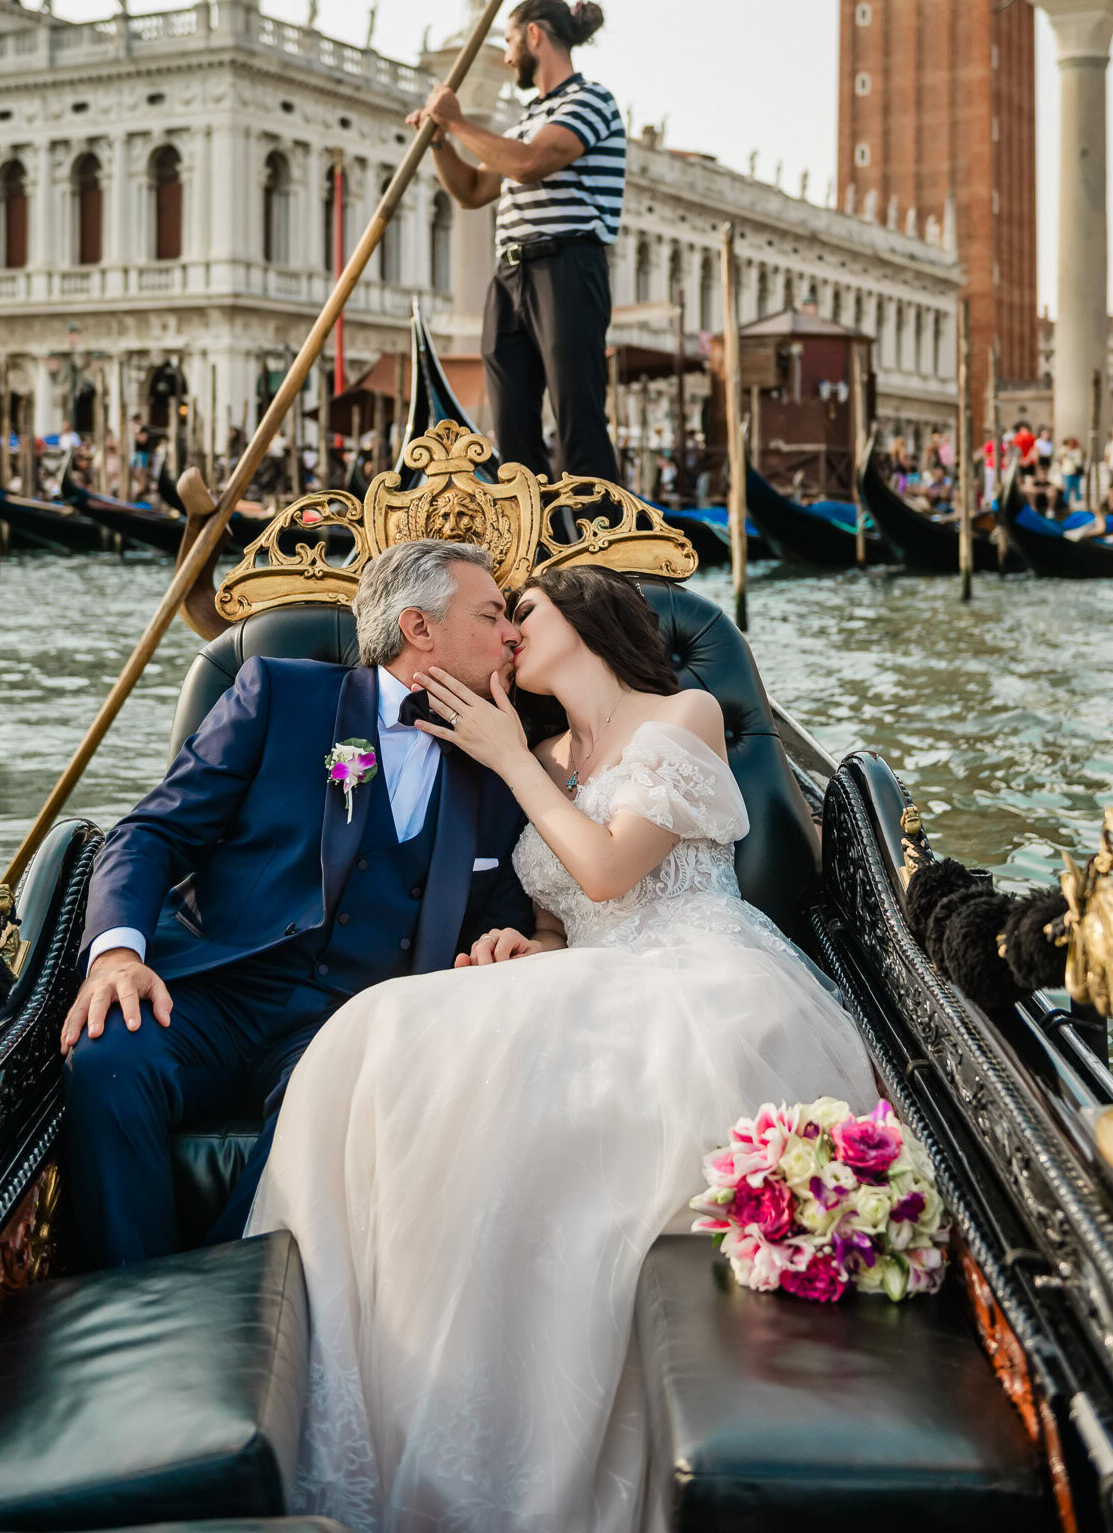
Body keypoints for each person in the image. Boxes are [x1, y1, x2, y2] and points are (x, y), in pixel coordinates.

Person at [248, 563, 875, 1533]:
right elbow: (558, 922)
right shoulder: (539, 750)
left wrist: (508, 761)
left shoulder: (684, 713)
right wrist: (516, 942)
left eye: (520, 615)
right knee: (373, 1031)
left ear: (581, 620)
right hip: (586, 977)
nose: (505, 636)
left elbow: (611, 870)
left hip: (699, 973)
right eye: (495, 618)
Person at [60, 539, 540, 1267]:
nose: (513, 634)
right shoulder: (278, 695)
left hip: (353, 1021)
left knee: (334, 1104)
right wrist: (117, 955)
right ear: (419, 628)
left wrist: (505, 936)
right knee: (108, 1055)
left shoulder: (506, 761)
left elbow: (504, 901)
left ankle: (225, 1301)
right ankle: (127, 1295)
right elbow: (151, 833)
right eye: (494, 613)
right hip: (220, 991)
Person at [408, 0, 624, 485]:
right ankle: (534, 550)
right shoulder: (525, 121)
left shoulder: (590, 101)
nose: (506, 57)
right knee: (512, 428)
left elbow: (528, 164)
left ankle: (607, 554)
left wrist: (459, 121)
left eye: (508, 41)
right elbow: (472, 190)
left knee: (578, 422)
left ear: (534, 35)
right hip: (509, 276)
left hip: (566, 266)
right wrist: (441, 141)